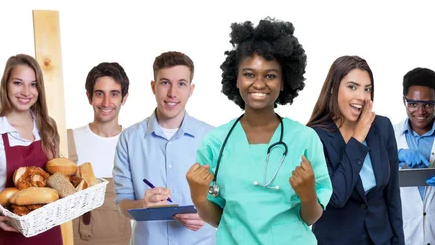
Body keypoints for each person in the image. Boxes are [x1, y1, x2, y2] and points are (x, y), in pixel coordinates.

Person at [186, 18, 333, 244]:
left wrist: (307, 196)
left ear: (283, 82)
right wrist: (198, 199)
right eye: (249, 74)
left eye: (270, 75)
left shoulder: (304, 139)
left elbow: (311, 216)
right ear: (236, 79)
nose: (259, 83)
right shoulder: (215, 142)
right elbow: (218, 218)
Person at [113, 51, 216, 245]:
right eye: (165, 82)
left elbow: (228, 198)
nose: (172, 93)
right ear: (153, 86)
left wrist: (209, 213)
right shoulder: (129, 139)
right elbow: (122, 203)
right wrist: (142, 205)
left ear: (191, 89)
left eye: (181, 84)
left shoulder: (212, 139)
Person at [306, 55, 405, 244]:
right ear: (333, 88)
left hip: (381, 238)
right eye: (352, 87)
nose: (362, 96)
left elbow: (392, 196)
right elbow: (335, 196)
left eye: (367, 89)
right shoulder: (314, 135)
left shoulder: (382, 127)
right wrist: (358, 138)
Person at [0, 54, 63, 244]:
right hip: (11, 233)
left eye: (33, 84)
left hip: (51, 233)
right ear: (6, 85)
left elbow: (56, 175)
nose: (26, 92)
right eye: (18, 83)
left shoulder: (47, 126)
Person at [393, 67, 435, 244]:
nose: (420, 111)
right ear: (404, 100)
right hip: (405, 234)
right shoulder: (390, 136)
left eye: (428, 104)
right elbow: (374, 179)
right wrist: (396, 156)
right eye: (413, 103)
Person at [70, 62, 132, 244]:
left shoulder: (134, 143)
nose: (106, 103)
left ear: (124, 98)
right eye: (99, 94)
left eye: (114, 94)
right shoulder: (68, 140)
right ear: (89, 97)